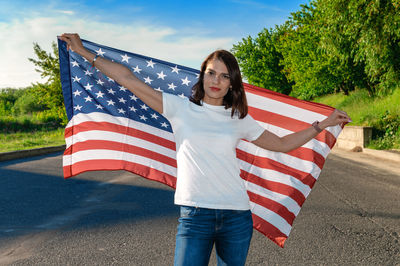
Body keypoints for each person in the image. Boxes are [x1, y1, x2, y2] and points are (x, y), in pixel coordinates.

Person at [59, 33, 351, 266]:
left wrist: (322, 124)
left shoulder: (239, 119)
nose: (216, 81)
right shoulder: (179, 108)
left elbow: (283, 144)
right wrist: (84, 52)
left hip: (237, 217)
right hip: (195, 216)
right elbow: (127, 79)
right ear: (203, 75)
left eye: (224, 76)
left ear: (231, 84)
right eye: (212, 73)